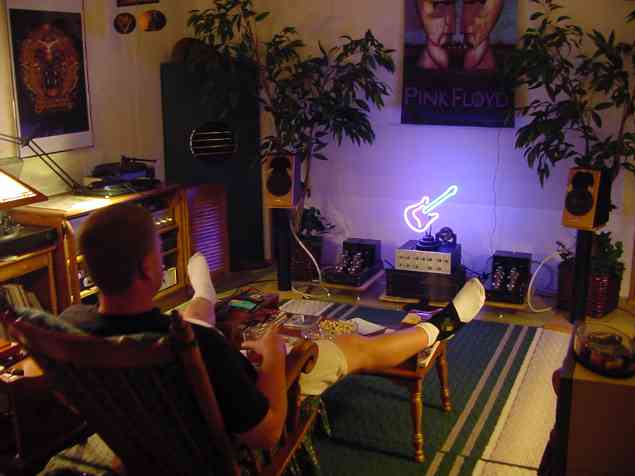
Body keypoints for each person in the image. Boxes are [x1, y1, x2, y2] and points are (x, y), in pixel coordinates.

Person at [60, 203, 485, 450]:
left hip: (147, 420)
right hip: (227, 414)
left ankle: (204, 291)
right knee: (356, 345)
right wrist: (274, 357)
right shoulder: (194, 347)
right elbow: (265, 433)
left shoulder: (68, 328)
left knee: (195, 314)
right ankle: (442, 326)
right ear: (151, 269)